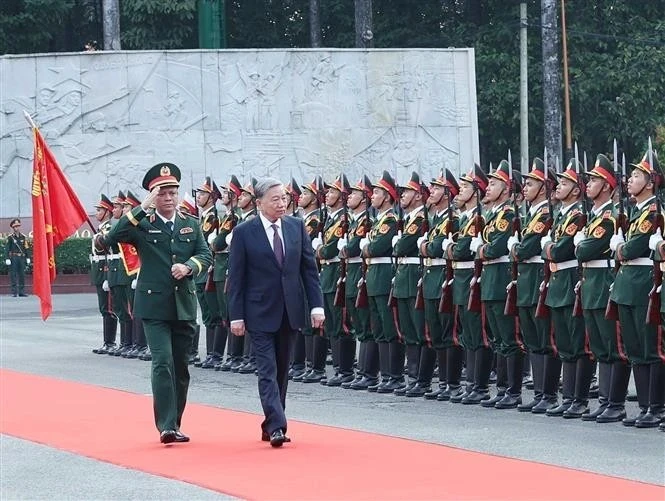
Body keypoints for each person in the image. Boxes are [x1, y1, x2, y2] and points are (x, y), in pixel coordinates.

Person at [94, 162, 212, 444]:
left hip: (183, 304)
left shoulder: (190, 224)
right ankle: (166, 426)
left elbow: (205, 255)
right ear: (152, 197)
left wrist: (189, 267)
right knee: (162, 362)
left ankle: (175, 421)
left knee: (181, 367)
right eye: (161, 193)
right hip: (154, 305)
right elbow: (113, 237)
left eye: (172, 192)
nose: (168, 198)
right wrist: (140, 208)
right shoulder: (141, 225)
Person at [228, 177, 324, 447]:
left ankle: (271, 421)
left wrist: (317, 306)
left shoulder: (296, 226)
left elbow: (309, 271)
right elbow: (236, 278)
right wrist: (236, 316)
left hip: (290, 310)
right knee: (267, 369)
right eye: (275, 199)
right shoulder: (245, 232)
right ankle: (278, 425)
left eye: (284, 198)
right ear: (259, 203)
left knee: (283, 369)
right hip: (258, 311)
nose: (282, 204)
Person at [5, 218, 31, 297]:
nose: (17, 228)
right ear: (13, 228)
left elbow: (26, 247)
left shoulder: (23, 237)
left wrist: (28, 257)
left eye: (18, 226)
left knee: (22, 274)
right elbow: (7, 248)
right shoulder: (10, 237)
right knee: (13, 274)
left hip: (21, 258)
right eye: (15, 227)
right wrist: (7, 258)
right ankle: (14, 292)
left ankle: (21, 292)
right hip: (14, 257)